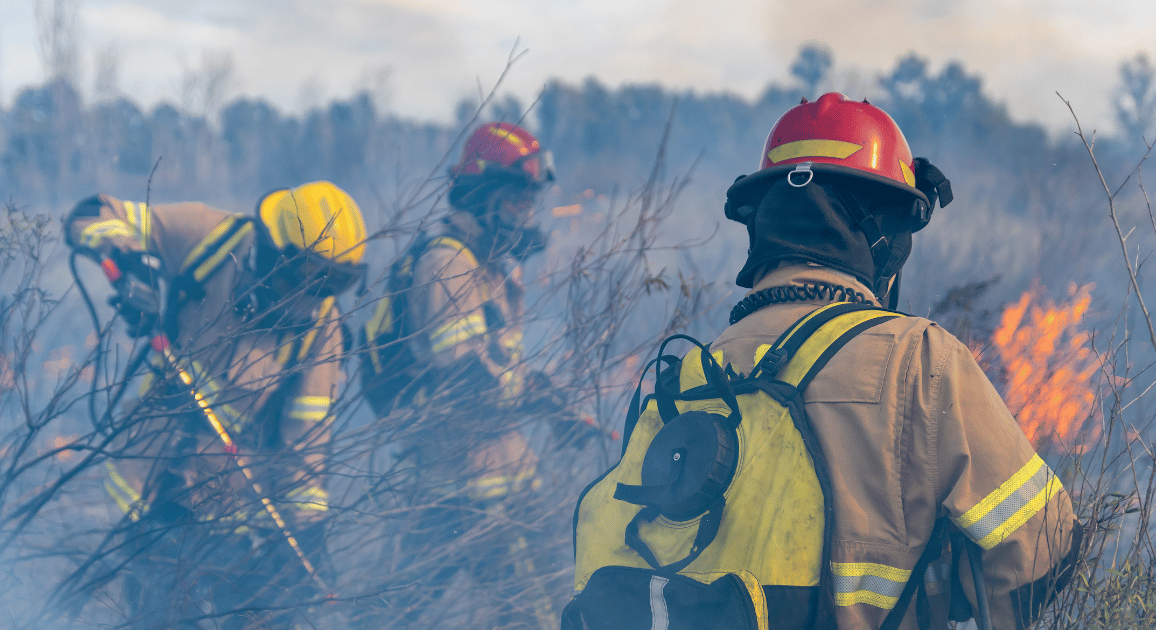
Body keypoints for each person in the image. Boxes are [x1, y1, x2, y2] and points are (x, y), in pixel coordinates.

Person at [565, 93, 1081, 630]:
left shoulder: (694, 375)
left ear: (764, 222)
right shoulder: (918, 361)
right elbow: (1041, 542)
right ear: (886, 236)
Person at [65, 181, 367, 629]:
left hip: (234, 512)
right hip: (149, 481)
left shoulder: (321, 328)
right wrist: (131, 262)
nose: (306, 299)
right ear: (268, 250)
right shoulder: (211, 237)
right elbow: (92, 211)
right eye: (298, 278)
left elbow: (303, 449)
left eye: (328, 285)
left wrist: (307, 533)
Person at [358, 122, 571, 624]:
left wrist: (541, 393)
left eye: (529, 201)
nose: (526, 212)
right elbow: (469, 382)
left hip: (497, 478)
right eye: (515, 199)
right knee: (537, 613)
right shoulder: (447, 265)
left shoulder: (495, 266)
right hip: (464, 486)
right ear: (481, 195)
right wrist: (532, 393)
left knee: (401, 613)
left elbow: (498, 369)